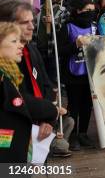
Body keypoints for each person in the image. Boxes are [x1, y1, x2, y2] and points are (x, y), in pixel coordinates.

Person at [0, 22, 65, 166]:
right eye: (14, 41)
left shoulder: (11, 71)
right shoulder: (2, 75)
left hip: (12, 141)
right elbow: (19, 101)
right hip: (6, 144)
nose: (20, 45)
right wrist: (52, 110)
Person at [56, 0, 97, 151]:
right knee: (74, 105)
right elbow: (60, 50)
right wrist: (75, 44)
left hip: (90, 73)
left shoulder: (94, 26)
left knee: (87, 105)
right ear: (78, 10)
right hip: (73, 74)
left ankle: (83, 133)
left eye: (93, 10)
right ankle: (72, 135)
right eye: (87, 10)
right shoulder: (67, 27)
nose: (90, 13)